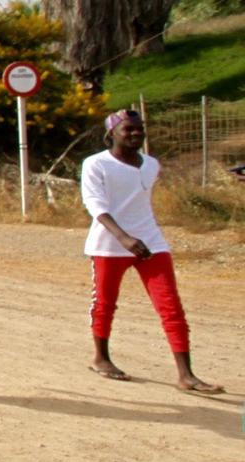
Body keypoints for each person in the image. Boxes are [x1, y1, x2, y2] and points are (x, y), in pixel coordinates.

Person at [81, 109, 223, 393]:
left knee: (171, 306)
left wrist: (137, 237)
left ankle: (186, 375)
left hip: (151, 242)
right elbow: (95, 204)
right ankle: (101, 358)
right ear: (111, 134)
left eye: (139, 129)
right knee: (105, 304)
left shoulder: (151, 165)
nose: (136, 134)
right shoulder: (96, 164)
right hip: (110, 244)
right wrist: (124, 237)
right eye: (128, 129)